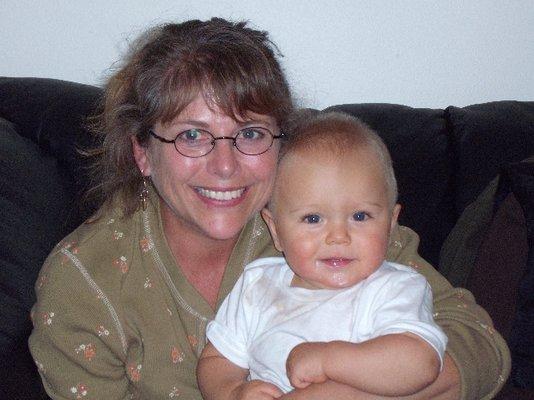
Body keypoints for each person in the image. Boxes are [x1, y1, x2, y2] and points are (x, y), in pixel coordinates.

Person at [28, 17, 509, 400]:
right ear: (142, 152)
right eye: (191, 135)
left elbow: (483, 347)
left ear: (281, 140)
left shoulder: (325, 221)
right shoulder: (85, 286)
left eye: (250, 133)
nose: (225, 166)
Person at [197, 111, 448, 399]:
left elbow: (420, 364)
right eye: (313, 219)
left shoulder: (395, 289)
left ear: (390, 224)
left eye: (360, 216)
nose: (338, 237)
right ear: (276, 230)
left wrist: (328, 359)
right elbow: (217, 359)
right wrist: (233, 392)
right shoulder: (257, 285)